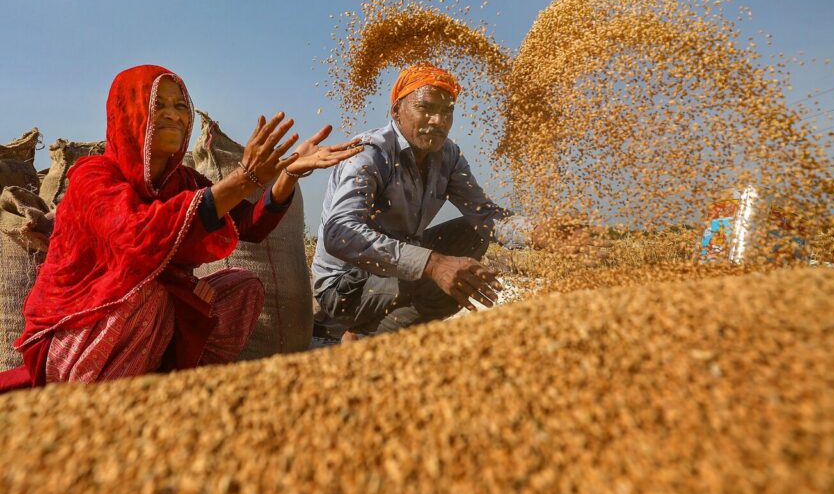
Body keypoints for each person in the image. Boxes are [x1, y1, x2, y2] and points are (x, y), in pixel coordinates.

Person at [0, 64, 363, 391]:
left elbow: (246, 227)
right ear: (131, 114)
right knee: (145, 291)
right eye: (160, 106)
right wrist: (242, 180)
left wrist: (285, 176)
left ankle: (185, 391)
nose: (174, 116)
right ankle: (111, 407)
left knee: (242, 287)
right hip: (79, 339)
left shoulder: (184, 181)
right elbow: (136, 238)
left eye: (180, 106)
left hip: (148, 325)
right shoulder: (92, 176)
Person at [312, 62, 602, 343]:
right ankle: (366, 336)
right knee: (443, 274)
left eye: (446, 112)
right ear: (397, 110)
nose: (438, 121)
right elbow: (340, 234)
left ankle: (371, 332)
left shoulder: (447, 156)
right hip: (345, 286)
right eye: (425, 108)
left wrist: (538, 233)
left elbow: (486, 214)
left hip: (396, 273)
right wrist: (433, 263)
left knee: (472, 231)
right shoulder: (370, 153)